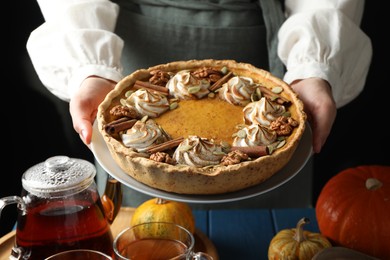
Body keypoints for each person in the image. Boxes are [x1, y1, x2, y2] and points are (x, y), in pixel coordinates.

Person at [26, 0, 372, 208]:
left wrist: (314, 67)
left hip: (262, 46)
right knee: (146, 235)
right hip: (122, 59)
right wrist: (90, 69)